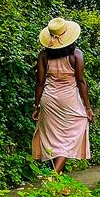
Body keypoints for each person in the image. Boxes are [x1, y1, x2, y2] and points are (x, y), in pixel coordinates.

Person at [32, 17, 94, 173]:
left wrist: (36, 106)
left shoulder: (43, 56)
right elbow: (81, 82)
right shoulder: (76, 55)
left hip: (49, 100)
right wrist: (87, 108)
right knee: (71, 136)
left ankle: (58, 181)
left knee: (53, 139)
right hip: (69, 100)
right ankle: (54, 176)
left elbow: (39, 83)